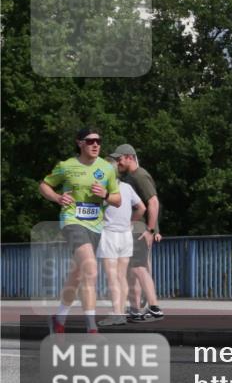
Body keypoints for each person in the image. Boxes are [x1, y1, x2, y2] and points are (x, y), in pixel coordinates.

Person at [39, 127, 121, 333]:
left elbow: (117, 200)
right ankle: (91, 328)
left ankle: (59, 318)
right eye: (91, 141)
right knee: (91, 268)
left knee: (77, 274)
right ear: (80, 143)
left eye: (99, 141)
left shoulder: (107, 168)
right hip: (72, 220)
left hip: (95, 225)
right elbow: (44, 185)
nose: (96, 144)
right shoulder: (66, 166)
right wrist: (57, 198)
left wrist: (104, 195)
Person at [110, 144, 164, 322]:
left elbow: (153, 202)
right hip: (135, 229)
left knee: (139, 268)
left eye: (120, 159)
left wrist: (151, 230)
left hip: (140, 231)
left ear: (129, 157)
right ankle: (136, 309)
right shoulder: (130, 177)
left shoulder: (139, 175)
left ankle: (153, 307)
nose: (118, 163)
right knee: (133, 271)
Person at [97, 157, 145, 327]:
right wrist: (131, 221)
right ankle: (122, 312)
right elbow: (142, 208)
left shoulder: (101, 190)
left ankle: (117, 314)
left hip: (109, 234)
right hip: (126, 235)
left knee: (112, 277)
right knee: (122, 276)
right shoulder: (127, 187)